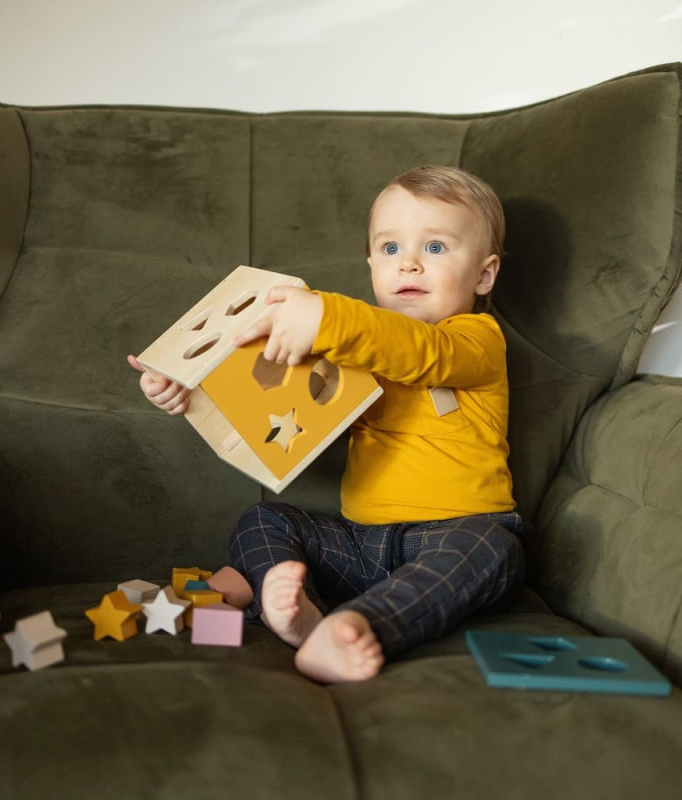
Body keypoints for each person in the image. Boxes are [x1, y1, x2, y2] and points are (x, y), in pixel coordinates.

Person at [128, 165, 526, 684]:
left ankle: (359, 625)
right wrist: (190, 389)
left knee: (494, 550)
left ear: (484, 275)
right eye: (390, 248)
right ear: (371, 265)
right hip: (360, 547)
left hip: (454, 536)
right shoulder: (350, 349)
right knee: (266, 520)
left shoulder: (477, 340)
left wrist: (324, 317)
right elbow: (270, 396)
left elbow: (420, 352)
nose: (407, 263)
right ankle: (298, 613)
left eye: (434, 247)